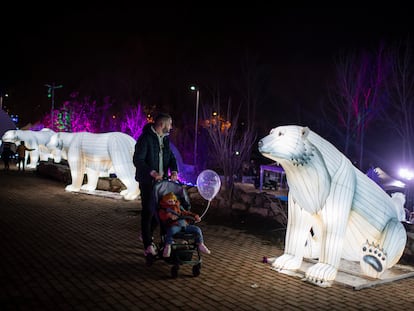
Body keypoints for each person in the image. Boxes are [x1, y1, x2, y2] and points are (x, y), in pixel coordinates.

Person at [133, 113, 179, 257]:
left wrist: (174, 171)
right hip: (148, 182)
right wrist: (151, 172)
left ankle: (147, 234)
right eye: (169, 124)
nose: (171, 127)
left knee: (161, 213)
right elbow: (138, 160)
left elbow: (171, 157)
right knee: (148, 211)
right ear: (162, 125)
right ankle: (147, 245)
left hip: (162, 183)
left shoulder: (165, 139)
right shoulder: (145, 138)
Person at [158, 192, 210, 257]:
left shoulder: (179, 207)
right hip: (174, 226)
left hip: (184, 225)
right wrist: (169, 216)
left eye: (173, 201)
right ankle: (168, 245)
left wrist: (195, 216)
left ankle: (200, 243)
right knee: (170, 231)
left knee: (197, 229)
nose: (172, 202)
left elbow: (186, 213)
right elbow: (162, 216)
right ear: (165, 202)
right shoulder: (164, 210)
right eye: (170, 201)